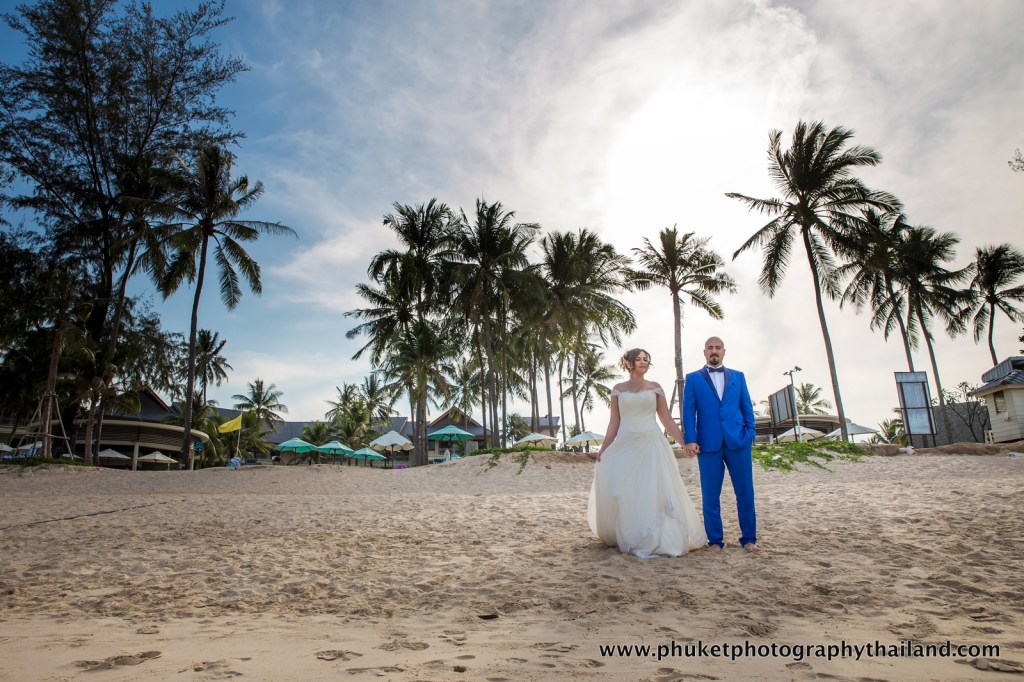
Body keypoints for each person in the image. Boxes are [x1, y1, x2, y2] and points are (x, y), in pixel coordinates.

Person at [588, 348, 708, 558]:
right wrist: (604, 447)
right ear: (629, 363)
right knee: (624, 491)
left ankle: (658, 538)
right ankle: (632, 534)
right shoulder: (618, 389)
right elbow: (614, 423)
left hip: (652, 444)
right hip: (626, 444)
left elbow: (667, 420)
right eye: (639, 359)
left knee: (654, 490)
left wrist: (684, 443)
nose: (643, 362)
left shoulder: (655, 388)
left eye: (646, 359)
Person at [682, 336, 760, 554]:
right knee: (710, 495)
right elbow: (689, 410)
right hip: (708, 444)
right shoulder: (693, 379)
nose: (714, 351)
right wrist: (690, 439)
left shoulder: (738, 377)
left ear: (723, 351)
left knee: (745, 493)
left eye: (717, 348)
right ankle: (715, 541)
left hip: (738, 441)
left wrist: (750, 432)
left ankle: (749, 539)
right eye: (710, 348)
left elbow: (746, 406)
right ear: (704, 352)